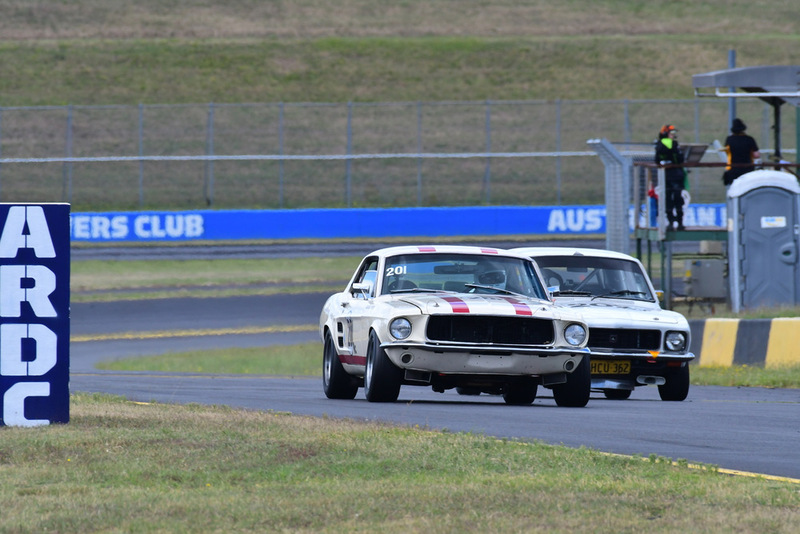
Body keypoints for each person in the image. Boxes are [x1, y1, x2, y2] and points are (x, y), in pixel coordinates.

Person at [654, 124, 686, 230]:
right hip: (676, 174)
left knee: (668, 199)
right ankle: (680, 223)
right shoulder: (674, 144)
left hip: (665, 175)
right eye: (671, 133)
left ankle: (671, 222)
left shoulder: (659, 145)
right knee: (678, 199)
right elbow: (680, 159)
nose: (673, 135)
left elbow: (657, 160)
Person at [722, 118, 760, 186]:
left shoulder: (729, 139)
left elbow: (726, 151)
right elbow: (756, 155)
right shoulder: (749, 139)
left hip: (733, 169)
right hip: (747, 169)